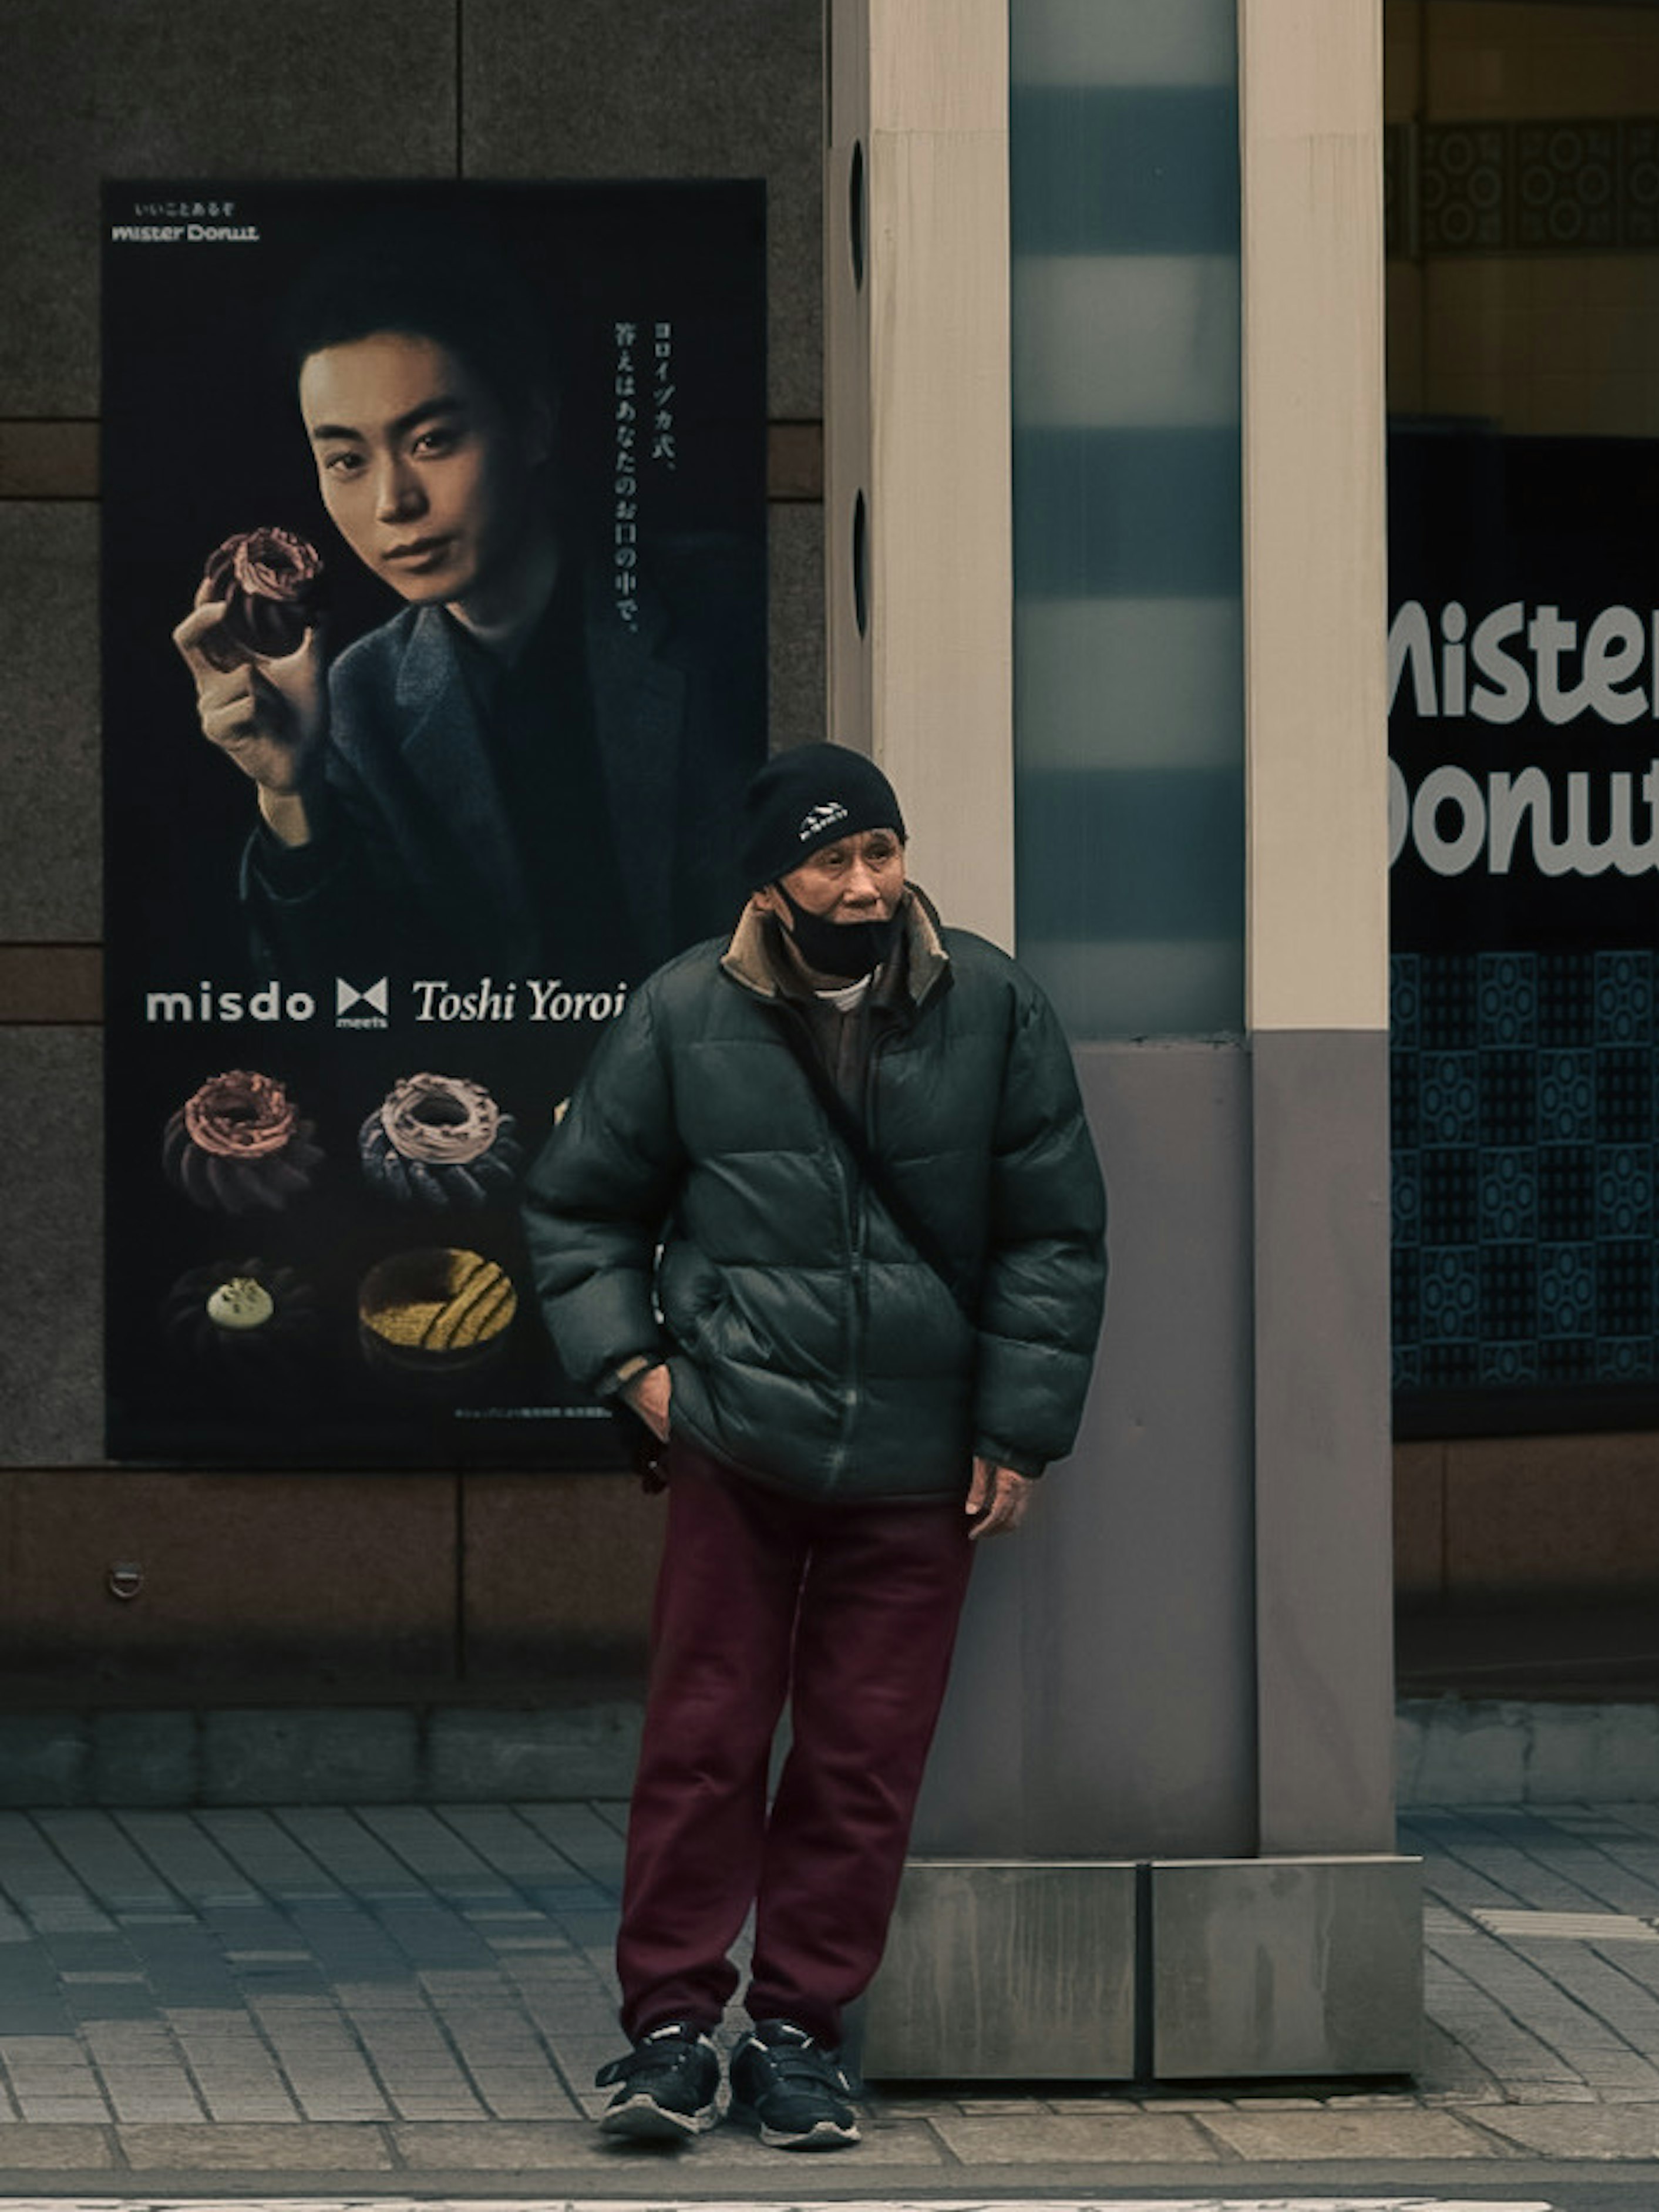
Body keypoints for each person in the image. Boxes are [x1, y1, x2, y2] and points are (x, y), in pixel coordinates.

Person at [521, 742, 1106, 2152]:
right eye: (833, 860)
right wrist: (639, 1372)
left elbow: (1053, 1234)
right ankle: (668, 2029)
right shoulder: (684, 1010)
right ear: (773, 879)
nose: (864, 882)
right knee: (704, 1741)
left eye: (882, 853)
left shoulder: (994, 1001)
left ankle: (797, 2036)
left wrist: (1018, 1432)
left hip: (921, 1469)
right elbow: (580, 1207)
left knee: (859, 1760)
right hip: (742, 1447)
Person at [172, 230, 763, 993]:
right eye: (347, 459)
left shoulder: (725, 604)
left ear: (533, 423)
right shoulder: (356, 703)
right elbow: (342, 1001)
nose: (394, 503)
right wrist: (290, 792)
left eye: (432, 439)